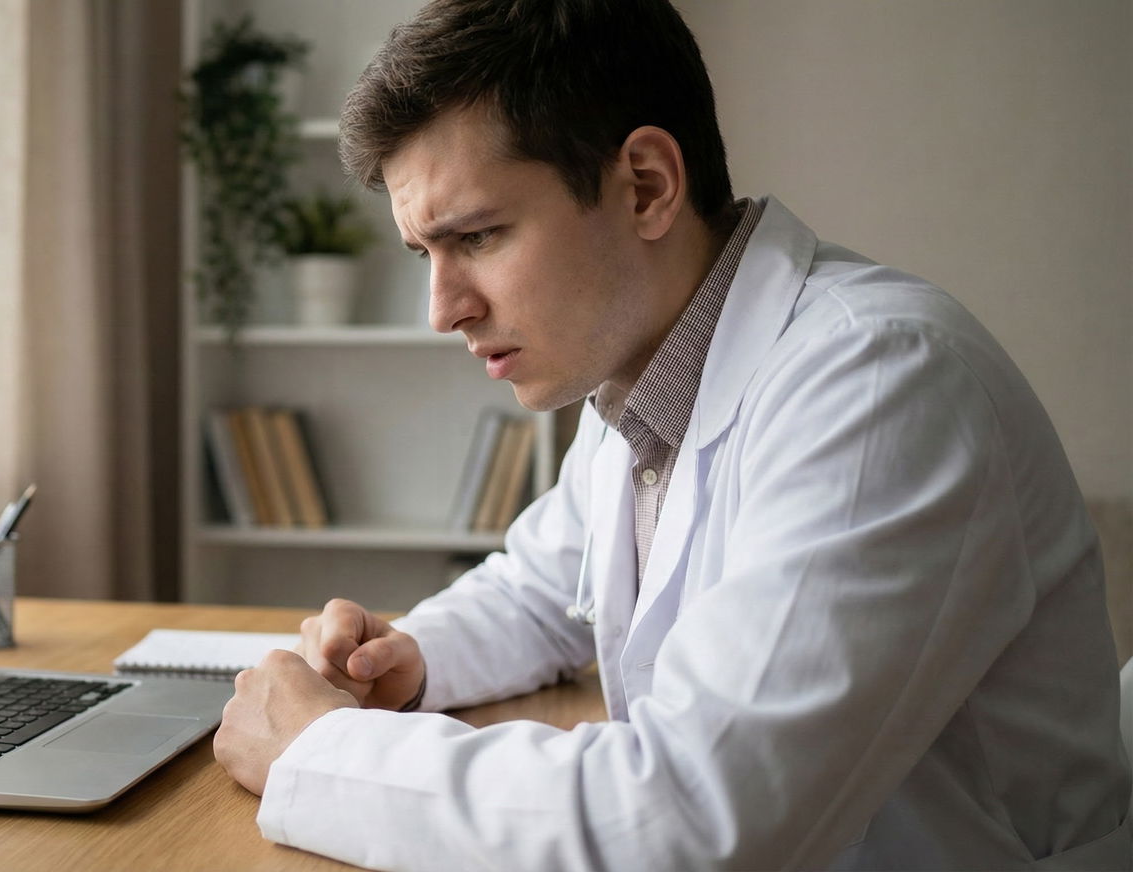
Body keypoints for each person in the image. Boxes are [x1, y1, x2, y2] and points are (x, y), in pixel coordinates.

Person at [211, 2, 1132, 869]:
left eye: (479, 237)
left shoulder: (881, 384)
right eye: (426, 253)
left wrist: (324, 751)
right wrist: (407, 660)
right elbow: (539, 590)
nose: (442, 309)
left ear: (646, 186)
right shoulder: (644, 373)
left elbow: (693, 820)